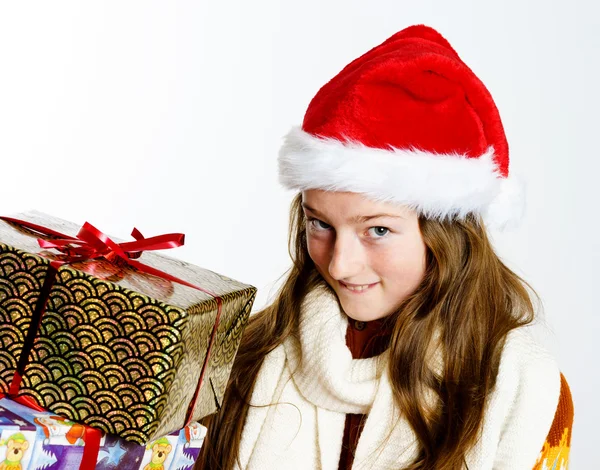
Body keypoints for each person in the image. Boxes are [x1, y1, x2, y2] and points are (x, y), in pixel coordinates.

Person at [194, 24, 574, 469]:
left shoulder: (523, 389)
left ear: (447, 236)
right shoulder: (244, 356)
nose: (340, 264)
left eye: (377, 230)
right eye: (319, 224)